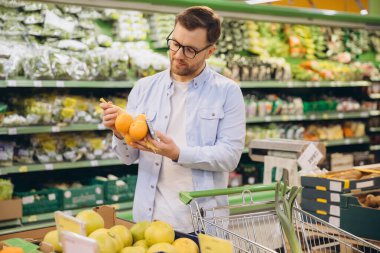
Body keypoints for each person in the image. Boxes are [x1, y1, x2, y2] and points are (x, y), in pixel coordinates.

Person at [100, 6, 246, 233]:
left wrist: (177, 154)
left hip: (200, 225)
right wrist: (119, 132)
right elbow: (128, 157)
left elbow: (229, 156)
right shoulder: (144, 88)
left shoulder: (228, 92)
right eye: (175, 44)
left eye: (190, 50)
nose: (178, 55)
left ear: (209, 51)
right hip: (149, 222)